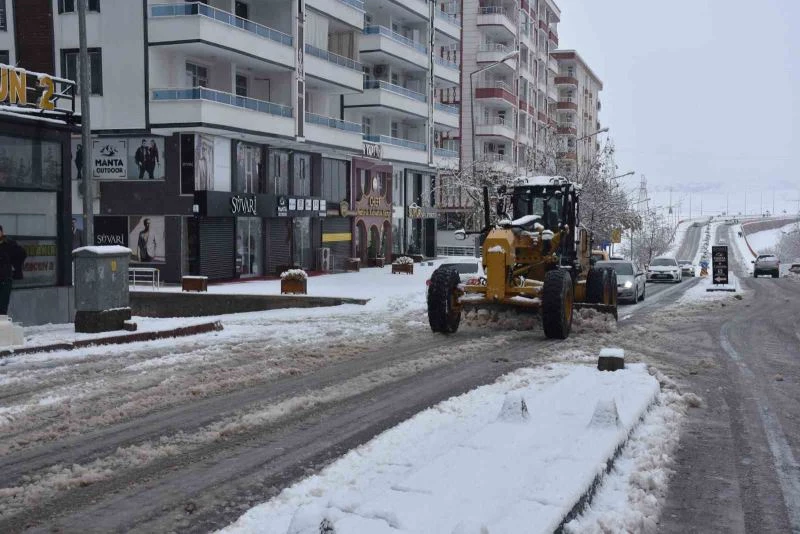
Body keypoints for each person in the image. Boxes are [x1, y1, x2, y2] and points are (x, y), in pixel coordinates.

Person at [0, 226, 26, 315]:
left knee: (3, 305)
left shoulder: (9, 243)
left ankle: (2, 325)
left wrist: (15, 267)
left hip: (5, 278)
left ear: (2, 232)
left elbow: (22, 253)